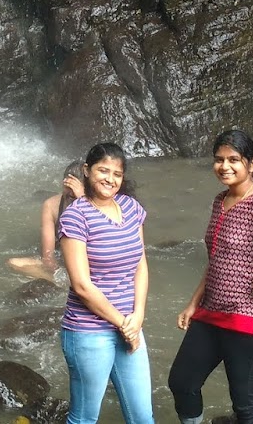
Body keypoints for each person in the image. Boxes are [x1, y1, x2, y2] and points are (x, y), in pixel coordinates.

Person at [167, 129, 253, 424]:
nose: (224, 166)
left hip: (249, 318)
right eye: (218, 159)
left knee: (246, 405)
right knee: (182, 382)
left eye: (233, 159)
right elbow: (217, 260)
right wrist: (194, 303)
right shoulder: (220, 200)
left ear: (251, 164)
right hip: (211, 312)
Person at [59, 143, 154, 424]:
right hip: (89, 332)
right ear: (87, 171)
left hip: (130, 325)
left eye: (117, 173)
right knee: (85, 418)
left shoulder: (131, 207)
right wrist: (123, 324)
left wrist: (138, 316)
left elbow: (141, 264)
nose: (110, 179)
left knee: (142, 417)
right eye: (103, 170)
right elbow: (81, 285)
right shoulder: (76, 216)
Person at [7, 162, 85, 282]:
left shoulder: (96, 206)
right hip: (63, 262)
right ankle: (59, 284)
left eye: (75, 189)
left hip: (89, 263)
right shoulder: (51, 205)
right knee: (15, 263)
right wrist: (57, 272)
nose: (71, 193)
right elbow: (47, 255)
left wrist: (82, 200)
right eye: (67, 187)